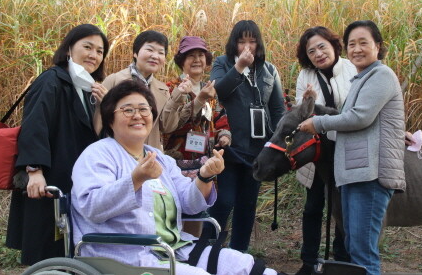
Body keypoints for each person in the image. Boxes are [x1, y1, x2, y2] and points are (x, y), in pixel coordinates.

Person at [71, 80, 283, 275]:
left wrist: (205, 176)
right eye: (128, 110)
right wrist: (136, 179)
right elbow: (91, 206)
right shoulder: (97, 154)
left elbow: (188, 204)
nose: (138, 115)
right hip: (124, 256)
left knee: (246, 266)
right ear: (110, 118)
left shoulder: (160, 159)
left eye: (144, 109)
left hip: (175, 250)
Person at [299, 20, 406, 275]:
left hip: (369, 174)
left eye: (363, 43)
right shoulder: (362, 78)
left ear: (377, 46)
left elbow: (360, 117)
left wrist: (318, 122)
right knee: (353, 246)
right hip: (355, 172)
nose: (357, 49)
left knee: (362, 253)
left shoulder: (381, 75)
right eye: (352, 44)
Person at [6, 24, 110, 265]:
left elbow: (93, 135)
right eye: (87, 47)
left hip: (73, 176)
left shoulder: (86, 86)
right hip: (50, 176)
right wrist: (34, 171)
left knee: (64, 243)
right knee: (46, 244)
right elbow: (34, 125)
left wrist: (102, 107)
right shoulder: (52, 80)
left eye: (100, 51)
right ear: (68, 49)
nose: (93, 55)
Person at [209, 20, 285, 252]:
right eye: (242, 41)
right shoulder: (222, 63)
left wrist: (276, 144)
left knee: (247, 204)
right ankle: (209, 251)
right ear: (234, 43)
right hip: (228, 148)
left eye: (252, 41)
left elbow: (278, 109)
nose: (247, 46)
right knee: (224, 201)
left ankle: (238, 254)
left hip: (258, 151)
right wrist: (239, 66)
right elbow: (218, 91)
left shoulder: (269, 69)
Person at [293, 26, 355, 275]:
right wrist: (307, 102)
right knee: (313, 206)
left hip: (347, 149)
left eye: (322, 47)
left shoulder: (352, 68)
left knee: (343, 207)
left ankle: (340, 259)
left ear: (333, 45)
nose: (318, 54)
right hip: (317, 152)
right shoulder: (305, 75)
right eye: (311, 51)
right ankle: (308, 261)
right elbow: (300, 116)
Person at [162, 36, 231, 176]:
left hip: (206, 160)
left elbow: (219, 119)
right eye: (191, 56)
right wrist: (198, 100)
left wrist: (224, 135)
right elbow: (170, 125)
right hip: (177, 163)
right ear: (182, 61)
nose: (197, 60)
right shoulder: (171, 89)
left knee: (204, 196)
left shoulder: (210, 88)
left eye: (201, 55)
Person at [94, 30, 170, 150]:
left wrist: (179, 95)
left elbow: (166, 126)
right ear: (135, 53)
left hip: (148, 156)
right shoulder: (113, 81)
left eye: (161, 52)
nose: (155, 56)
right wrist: (107, 103)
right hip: (117, 155)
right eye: (150, 50)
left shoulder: (163, 90)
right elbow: (97, 123)